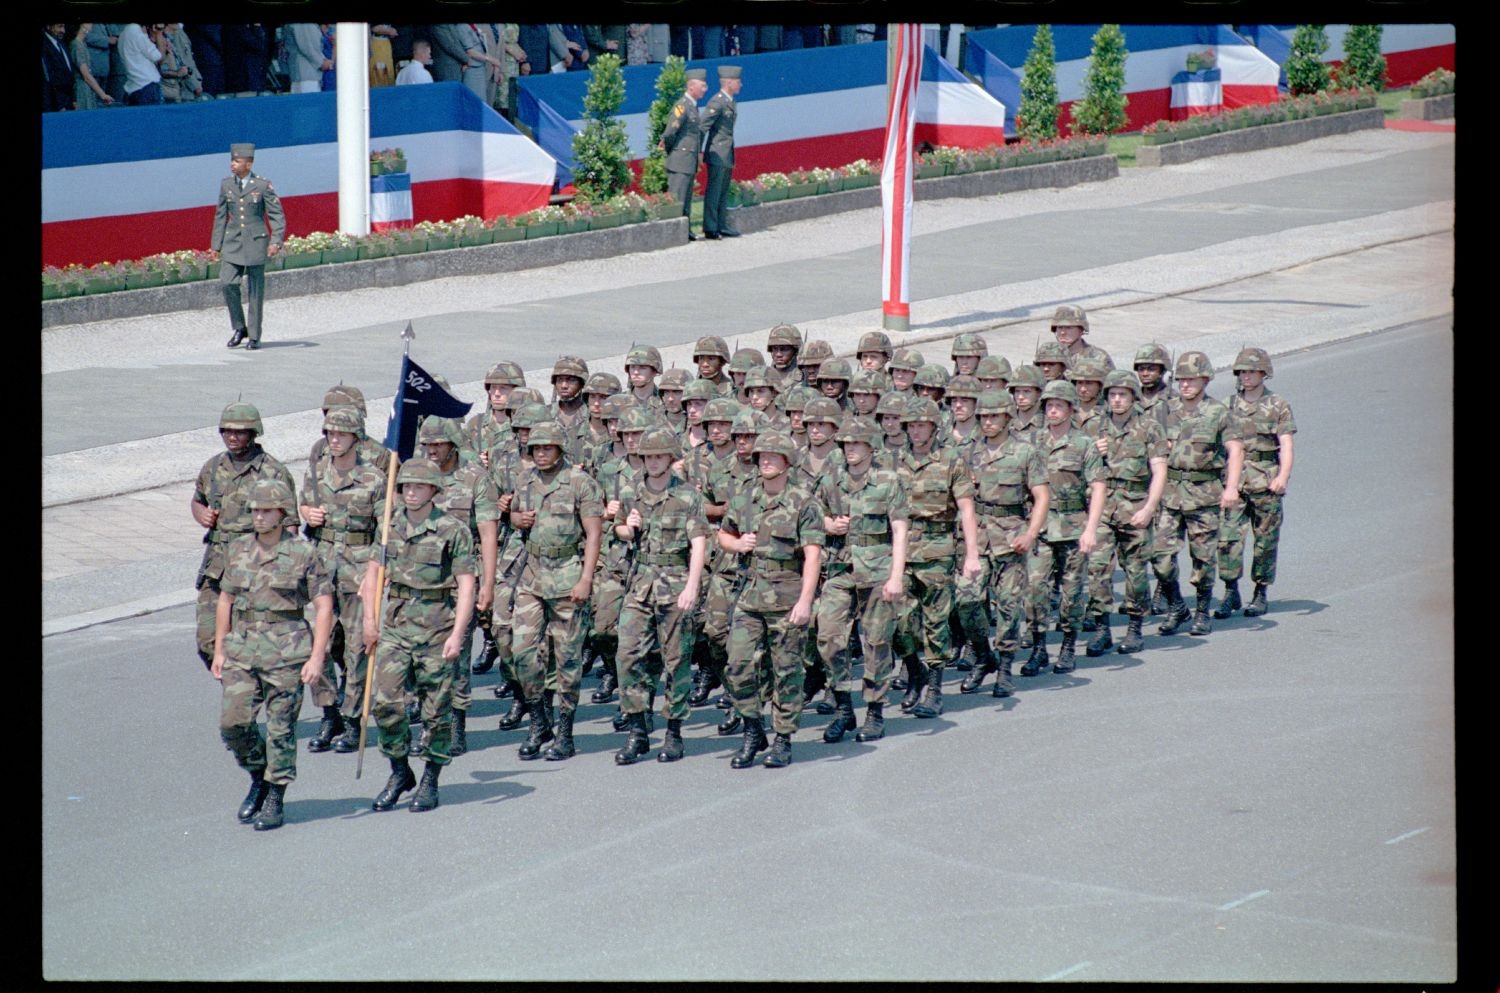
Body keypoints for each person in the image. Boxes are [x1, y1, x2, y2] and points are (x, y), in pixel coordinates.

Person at [212, 479, 333, 831]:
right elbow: (225, 600)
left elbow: (324, 606)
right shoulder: (237, 550)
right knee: (233, 724)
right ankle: (258, 776)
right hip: (243, 648)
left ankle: (275, 795)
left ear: (282, 513)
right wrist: (220, 648)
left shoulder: (303, 553)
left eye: (266, 510)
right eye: (254, 511)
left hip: (287, 650)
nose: (259, 517)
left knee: (281, 729)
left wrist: (316, 657)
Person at [361, 458, 476, 813]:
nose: (410, 492)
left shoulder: (451, 530)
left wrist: (458, 633)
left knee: (435, 710)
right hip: (395, 626)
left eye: (418, 487)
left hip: (436, 627)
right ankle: (399, 771)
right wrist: (369, 620)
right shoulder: (388, 527)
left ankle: (430, 778)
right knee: (386, 704)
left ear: (433, 491)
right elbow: (373, 575)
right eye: (405, 487)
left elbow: (467, 584)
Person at [717, 430, 825, 768]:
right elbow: (723, 533)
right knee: (737, 664)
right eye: (761, 456)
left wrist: (806, 601)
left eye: (772, 456)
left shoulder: (803, 502)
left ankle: (782, 738)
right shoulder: (745, 497)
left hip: (786, 594)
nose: (764, 460)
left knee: (787, 671)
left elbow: (813, 555)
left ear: (787, 462)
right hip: (749, 595)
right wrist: (736, 545)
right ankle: (753, 729)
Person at [613, 428, 711, 764]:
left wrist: (692, 587)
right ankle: (638, 730)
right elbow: (620, 528)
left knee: (676, 660)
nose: (653, 462)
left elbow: (699, 543)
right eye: (647, 457)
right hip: (640, 582)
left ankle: (673, 732)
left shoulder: (686, 495)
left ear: (670, 458)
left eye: (659, 456)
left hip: (675, 582)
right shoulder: (632, 492)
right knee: (627, 656)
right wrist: (630, 527)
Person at [508, 422, 604, 762]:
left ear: (561, 449)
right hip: (532, 576)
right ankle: (539, 720)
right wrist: (516, 518)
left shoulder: (580, 483)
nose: (541, 453)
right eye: (535, 448)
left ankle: (565, 730)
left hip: (567, 577)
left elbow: (593, 534)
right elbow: (516, 516)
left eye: (547, 447)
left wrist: (586, 579)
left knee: (567, 659)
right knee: (521, 652)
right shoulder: (524, 480)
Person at [813, 417, 908, 742]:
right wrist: (828, 524)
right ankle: (842, 707)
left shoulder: (887, 480)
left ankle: (875, 711)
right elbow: (813, 517)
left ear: (870, 446)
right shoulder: (832, 480)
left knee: (877, 642)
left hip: (878, 570)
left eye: (856, 444)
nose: (850, 449)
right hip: (840, 569)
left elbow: (899, 529)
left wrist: (896, 576)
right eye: (846, 444)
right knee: (828, 637)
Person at [299, 406, 387, 753]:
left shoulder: (373, 480)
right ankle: (329, 711)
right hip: (321, 565)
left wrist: (374, 577)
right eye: (330, 434)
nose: (334, 440)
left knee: (356, 648)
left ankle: (352, 721)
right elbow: (303, 509)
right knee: (316, 643)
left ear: (356, 438)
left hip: (357, 567)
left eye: (341, 434)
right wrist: (307, 512)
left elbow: (384, 536)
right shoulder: (317, 473)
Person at [191, 402, 298, 673]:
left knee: (252, 642)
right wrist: (201, 514)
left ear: (253, 433)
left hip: (256, 568)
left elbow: (291, 526)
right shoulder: (213, 468)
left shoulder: (273, 472)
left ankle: (246, 694)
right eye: (227, 431)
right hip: (218, 566)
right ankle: (236, 684)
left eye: (240, 432)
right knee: (207, 638)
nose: (232, 437)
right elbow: (198, 500)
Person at [892, 397, 982, 718]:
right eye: (912, 425)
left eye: (922, 425)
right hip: (900, 550)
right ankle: (912, 670)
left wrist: (971, 554)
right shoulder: (894, 461)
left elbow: (967, 509)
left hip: (936, 548)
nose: (916, 431)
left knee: (935, 621)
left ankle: (934, 688)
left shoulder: (951, 460)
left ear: (934, 427)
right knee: (899, 622)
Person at [956, 391, 1049, 696]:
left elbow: (1041, 497)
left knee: (1009, 605)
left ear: (1008, 418)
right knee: (967, 601)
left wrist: (1030, 534)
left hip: (1011, 537)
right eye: (983, 417)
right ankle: (984, 657)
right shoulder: (968, 452)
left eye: (994, 416)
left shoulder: (1025, 452)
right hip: (978, 537)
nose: (988, 422)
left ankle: (1005, 666)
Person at [1151, 351, 1244, 638]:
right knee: (1160, 557)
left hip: (1204, 496)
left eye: (1192, 379)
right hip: (1170, 494)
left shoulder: (1218, 412)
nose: (1185, 385)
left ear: (1205, 379)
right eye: (1181, 380)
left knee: (1203, 559)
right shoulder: (1164, 410)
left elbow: (1236, 450)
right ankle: (1177, 606)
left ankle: (1202, 611)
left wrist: (1231, 488)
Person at [1020, 380, 1106, 676]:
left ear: (1071, 409)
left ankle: (1068, 646)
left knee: (1071, 592)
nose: (1053, 410)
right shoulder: (1032, 442)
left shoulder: (1084, 445)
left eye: (1059, 405)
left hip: (1072, 526)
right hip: (1041, 527)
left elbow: (1098, 488)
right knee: (1034, 589)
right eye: (1049, 405)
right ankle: (1038, 647)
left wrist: (1091, 529)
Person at [1084, 370, 1167, 656]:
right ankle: (1101, 628)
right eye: (1113, 395)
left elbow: (1159, 470)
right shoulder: (1093, 427)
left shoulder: (1149, 427)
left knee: (1135, 571)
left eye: (1123, 395)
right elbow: (1077, 468)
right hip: (1103, 506)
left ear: (1133, 397)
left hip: (1135, 505)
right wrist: (1093, 451)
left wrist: (1149, 508)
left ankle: (1134, 628)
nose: (1117, 400)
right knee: (1097, 569)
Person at [1213, 347, 1295, 619]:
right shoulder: (1227, 406)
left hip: (1265, 480)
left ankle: (1260, 592)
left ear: (1264, 373)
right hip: (1234, 482)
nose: (1246, 377)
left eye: (1252, 371)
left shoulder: (1277, 405)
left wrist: (1282, 477)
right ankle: (1229, 590)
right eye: (1243, 372)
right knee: (1228, 539)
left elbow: (1286, 444)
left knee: (1265, 542)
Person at [210, 143, 285, 351]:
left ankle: (254, 336)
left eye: (237, 161)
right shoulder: (226, 185)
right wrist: (215, 246)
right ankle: (239, 327)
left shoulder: (262, 186)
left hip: (256, 243)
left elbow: (276, 215)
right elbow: (220, 215)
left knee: (255, 291)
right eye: (232, 160)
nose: (232, 164)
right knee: (227, 282)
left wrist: (275, 241)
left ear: (248, 163)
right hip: (233, 241)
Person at [661, 68, 707, 238]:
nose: (705, 89)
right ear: (691, 87)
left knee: (686, 197)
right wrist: (675, 152)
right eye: (702, 85)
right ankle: (675, 233)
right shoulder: (682, 106)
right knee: (678, 197)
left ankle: (685, 231)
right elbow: (671, 133)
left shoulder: (693, 107)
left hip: (688, 160)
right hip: (680, 160)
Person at [699, 65, 742, 239]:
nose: (741, 85)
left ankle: (721, 224)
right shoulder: (717, 102)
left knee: (723, 190)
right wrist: (699, 152)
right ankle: (710, 227)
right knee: (714, 190)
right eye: (738, 82)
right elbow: (702, 127)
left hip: (725, 151)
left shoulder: (730, 101)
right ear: (729, 83)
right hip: (717, 151)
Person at [118, 22, 167, 105]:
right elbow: (159, 57)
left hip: (133, 87)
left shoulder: (124, 33)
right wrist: (159, 33)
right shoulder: (137, 33)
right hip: (146, 86)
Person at [71, 23, 115, 110]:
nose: (91, 25)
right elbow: (86, 75)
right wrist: (102, 94)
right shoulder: (76, 45)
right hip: (82, 90)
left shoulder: (82, 44)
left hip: (89, 89)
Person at [283, 23, 329, 94]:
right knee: (309, 102)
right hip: (305, 73)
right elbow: (306, 48)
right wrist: (321, 62)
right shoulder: (303, 25)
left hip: (307, 73)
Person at [43, 24, 74, 112]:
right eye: (59, 27)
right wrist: (60, 104)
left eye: (64, 27)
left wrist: (73, 99)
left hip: (68, 100)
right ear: (48, 26)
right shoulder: (44, 45)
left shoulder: (61, 42)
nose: (63, 31)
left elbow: (68, 72)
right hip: (55, 102)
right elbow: (48, 78)